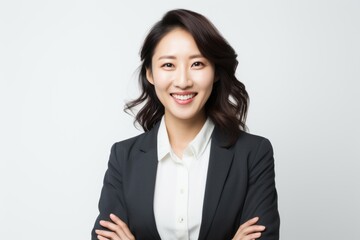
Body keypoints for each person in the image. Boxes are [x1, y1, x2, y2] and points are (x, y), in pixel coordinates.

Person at [91, 9, 280, 240]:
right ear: (150, 73)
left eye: (198, 64)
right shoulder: (123, 157)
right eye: (168, 65)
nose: (183, 81)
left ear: (216, 72)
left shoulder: (253, 154)